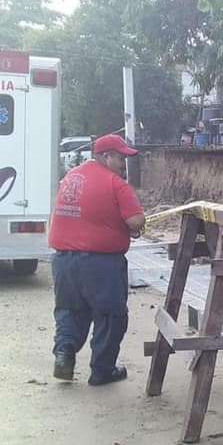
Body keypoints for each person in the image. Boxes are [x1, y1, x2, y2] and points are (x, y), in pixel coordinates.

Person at [48, 134, 146, 385]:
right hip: (101, 263)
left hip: (64, 260)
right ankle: (102, 370)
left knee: (71, 311)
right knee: (111, 315)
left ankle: (64, 355)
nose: (124, 162)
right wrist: (135, 227)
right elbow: (135, 221)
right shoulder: (116, 184)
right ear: (105, 156)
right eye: (120, 157)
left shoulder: (72, 177)